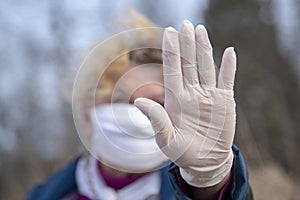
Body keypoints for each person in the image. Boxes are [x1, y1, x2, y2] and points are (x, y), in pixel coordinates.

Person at [28, 11, 252, 200]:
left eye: (157, 102)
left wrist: (209, 182)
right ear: (87, 114)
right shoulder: (49, 195)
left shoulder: (184, 191)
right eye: (120, 100)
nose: (138, 115)